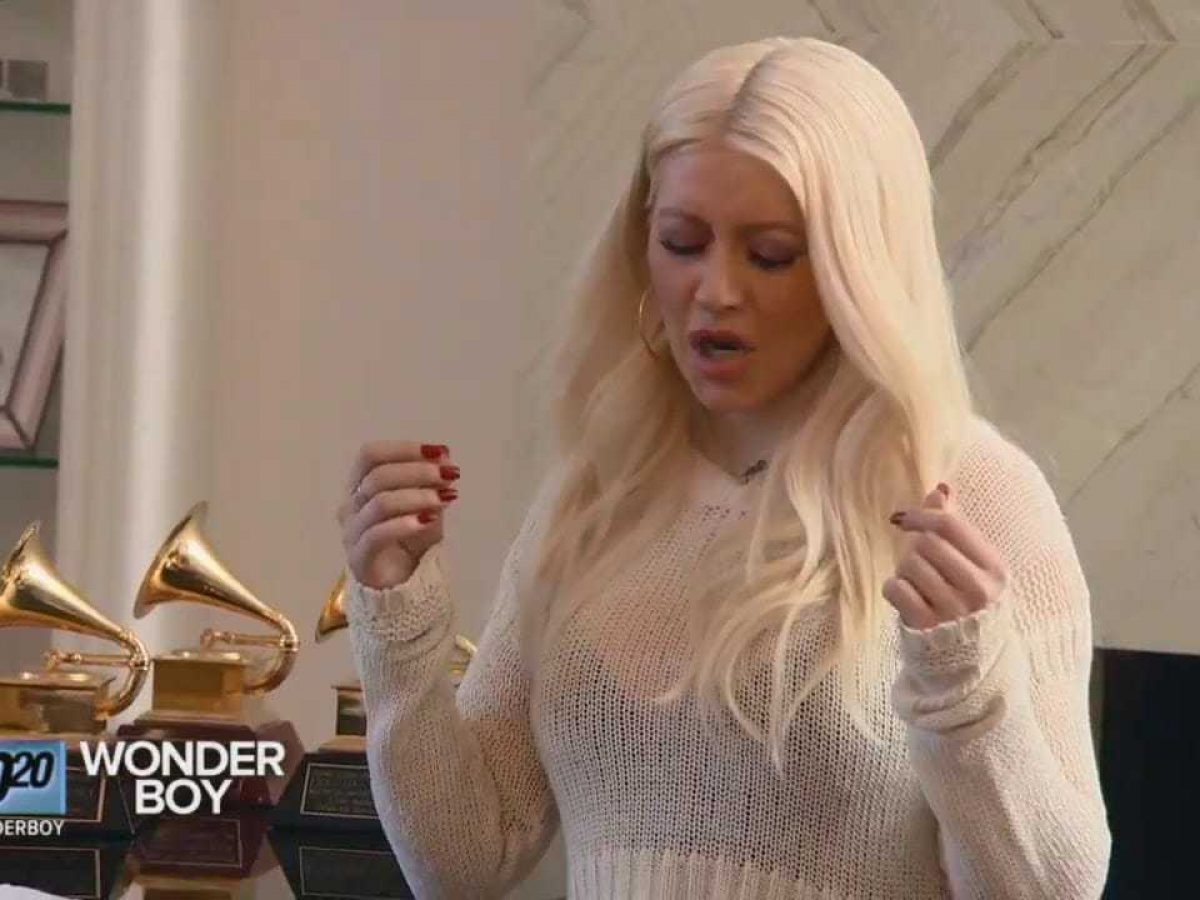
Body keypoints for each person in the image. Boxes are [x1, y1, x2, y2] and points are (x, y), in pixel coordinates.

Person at [335, 36, 1111, 899]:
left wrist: (970, 699)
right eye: (682, 242)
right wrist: (399, 624)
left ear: (858, 269)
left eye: (769, 254)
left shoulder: (975, 494)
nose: (715, 291)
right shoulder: (600, 488)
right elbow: (463, 862)